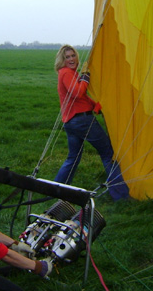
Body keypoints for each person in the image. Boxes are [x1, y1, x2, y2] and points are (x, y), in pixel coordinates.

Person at [52, 45, 130, 201]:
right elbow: (77, 92)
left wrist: (94, 105)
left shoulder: (69, 73)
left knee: (73, 157)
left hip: (71, 122)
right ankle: (121, 196)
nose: (71, 59)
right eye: (67, 57)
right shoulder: (66, 73)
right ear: (62, 60)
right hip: (82, 121)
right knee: (108, 153)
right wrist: (85, 78)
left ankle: (55, 189)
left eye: (73, 55)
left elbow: (81, 98)